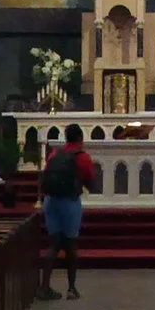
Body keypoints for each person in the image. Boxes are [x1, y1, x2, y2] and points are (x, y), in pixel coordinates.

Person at [36, 121, 96, 299]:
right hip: (69, 202)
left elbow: (45, 175)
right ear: (80, 138)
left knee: (54, 244)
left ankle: (44, 287)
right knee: (70, 245)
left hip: (50, 201)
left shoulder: (55, 153)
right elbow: (91, 182)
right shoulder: (82, 157)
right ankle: (71, 289)